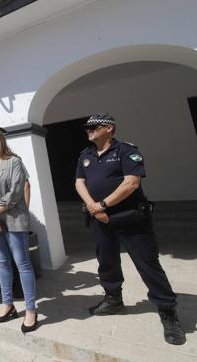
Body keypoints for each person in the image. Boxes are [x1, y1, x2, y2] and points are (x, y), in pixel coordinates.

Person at [75, 113, 185, 345]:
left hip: (130, 217)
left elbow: (132, 182)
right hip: (99, 218)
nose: (88, 130)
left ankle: (168, 311)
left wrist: (102, 205)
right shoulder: (85, 155)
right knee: (106, 261)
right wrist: (94, 208)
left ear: (109, 128)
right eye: (87, 127)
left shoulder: (126, 150)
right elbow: (79, 182)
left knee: (147, 264)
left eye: (93, 127)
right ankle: (113, 299)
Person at [0, 128, 37, 333]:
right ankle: (8, 304)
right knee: (2, 263)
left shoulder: (14, 162)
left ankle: (30, 310)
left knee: (22, 263)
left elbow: (17, 190)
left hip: (12, 218)